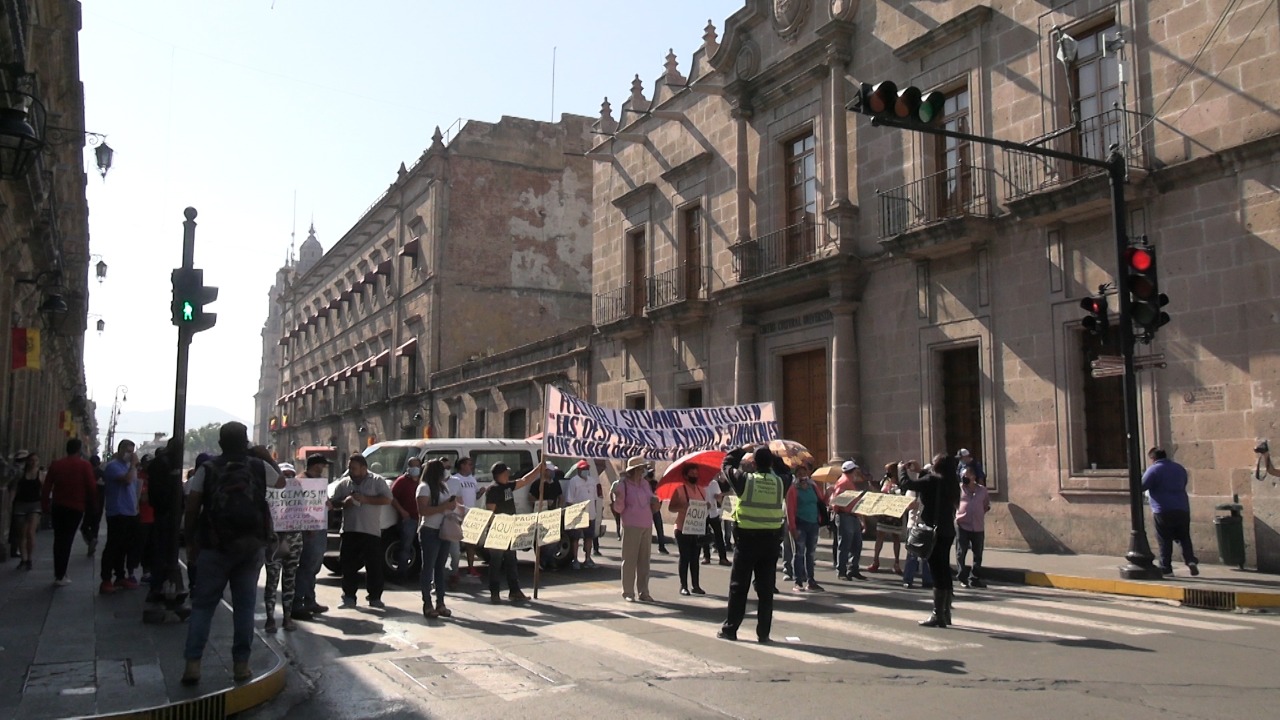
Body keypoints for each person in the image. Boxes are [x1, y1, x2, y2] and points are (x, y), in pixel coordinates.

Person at [182, 422, 284, 684]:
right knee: (244, 607)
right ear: (246, 441)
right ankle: (241, 665)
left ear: (220, 443)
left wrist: (191, 540)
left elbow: (192, 506)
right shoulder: (259, 466)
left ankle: (193, 665)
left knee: (203, 606)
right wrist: (265, 456)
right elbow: (282, 483)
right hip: (251, 546)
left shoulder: (207, 468)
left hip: (214, 546)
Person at [718, 446, 784, 643]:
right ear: (771, 463)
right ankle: (763, 633)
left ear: (753, 463)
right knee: (766, 590)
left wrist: (742, 450)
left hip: (747, 541)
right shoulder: (781, 482)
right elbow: (786, 470)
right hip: (771, 542)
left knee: (739, 587)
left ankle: (731, 629)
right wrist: (773, 453)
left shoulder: (745, 480)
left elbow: (726, 464)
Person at [897, 455, 961, 628]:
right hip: (947, 530)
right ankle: (946, 612)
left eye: (933, 463)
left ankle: (937, 614)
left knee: (937, 572)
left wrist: (901, 469)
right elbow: (932, 482)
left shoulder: (932, 480)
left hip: (933, 532)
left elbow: (907, 484)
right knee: (944, 569)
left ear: (937, 466)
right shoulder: (951, 482)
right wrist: (921, 470)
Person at [330, 453, 394, 608]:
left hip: (370, 531)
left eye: (354, 468)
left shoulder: (377, 481)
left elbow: (387, 499)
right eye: (349, 468)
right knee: (348, 566)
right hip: (349, 530)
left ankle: (375, 597)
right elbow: (332, 503)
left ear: (364, 468)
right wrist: (344, 503)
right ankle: (349, 597)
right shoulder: (344, 483)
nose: (351, 471)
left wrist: (366, 499)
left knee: (373, 566)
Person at [41, 438, 97, 585]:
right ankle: (61, 575)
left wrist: (45, 505)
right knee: (67, 539)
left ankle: (59, 572)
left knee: (58, 539)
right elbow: (91, 487)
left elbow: (47, 487)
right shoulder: (84, 465)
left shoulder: (56, 465)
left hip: (58, 506)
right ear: (79, 450)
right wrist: (93, 505)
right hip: (75, 507)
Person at [484, 461, 541, 603]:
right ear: (501, 474)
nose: (509, 474)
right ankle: (495, 593)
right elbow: (490, 512)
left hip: (510, 529)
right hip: (498, 531)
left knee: (511, 561)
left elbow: (525, 480)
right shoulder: (493, 489)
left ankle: (514, 591)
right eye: (507, 472)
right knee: (496, 563)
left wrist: (539, 467)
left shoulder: (508, 486)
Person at [144, 438, 188, 618]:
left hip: (165, 513)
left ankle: (160, 586)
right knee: (163, 551)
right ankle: (159, 587)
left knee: (164, 551)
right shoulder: (165, 463)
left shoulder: (164, 462)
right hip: (166, 513)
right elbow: (165, 491)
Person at [1142, 447, 1198, 576]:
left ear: (1153, 458)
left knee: (1164, 539)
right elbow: (1184, 483)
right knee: (1184, 537)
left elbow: (1142, 485)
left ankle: (1166, 567)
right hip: (1182, 507)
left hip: (1163, 509)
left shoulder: (1154, 469)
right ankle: (1190, 560)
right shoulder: (1179, 468)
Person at [263, 462, 304, 633]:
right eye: (284, 475)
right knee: (272, 581)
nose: (288, 478)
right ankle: (270, 618)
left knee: (289, 580)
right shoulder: (268, 495)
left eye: (291, 475)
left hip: (294, 541)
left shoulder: (300, 494)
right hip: (273, 542)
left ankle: (287, 617)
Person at [290, 453, 332, 621]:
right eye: (322, 465)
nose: (323, 469)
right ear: (316, 465)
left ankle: (310, 600)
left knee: (313, 566)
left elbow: (321, 501)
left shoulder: (317, 482)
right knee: (306, 566)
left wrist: (327, 503)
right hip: (309, 529)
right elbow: (298, 506)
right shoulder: (301, 481)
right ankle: (297, 603)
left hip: (319, 525)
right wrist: (308, 524)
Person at [612, 457, 659, 601]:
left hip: (646, 525)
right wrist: (618, 497)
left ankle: (644, 592)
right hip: (631, 525)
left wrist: (655, 501)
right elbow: (618, 508)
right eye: (640, 469)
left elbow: (651, 501)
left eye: (643, 469)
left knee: (644, 561)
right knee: (629, 560)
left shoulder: (645, 484)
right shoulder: (623, 485)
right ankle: (628, 592)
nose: (642, 471)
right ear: (633, 471)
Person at [417, 459, 456, 618]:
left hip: (444, 530)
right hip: (430, 530)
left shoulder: (443, 486)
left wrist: (451, 505)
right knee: (428, 568)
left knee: (440, 568)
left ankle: (441, 602)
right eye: (443, 469)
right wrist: (444, 506)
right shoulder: (424, 487)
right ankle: (427, 603)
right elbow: (423, 510)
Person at [100, 441, 141, 593]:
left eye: (132, 451)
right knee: (113, 546)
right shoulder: (113, 466)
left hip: (130, 512)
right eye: (128, 451)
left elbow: (134, 486)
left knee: (124, 547)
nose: (130, 454)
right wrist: (133, 465)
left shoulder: (128, 467)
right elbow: (127, 480)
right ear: (120, 450)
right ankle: (106, 579)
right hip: (117, 511)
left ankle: (120, 575)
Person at [667, 464, 708, 596]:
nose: (695, 476)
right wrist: (682, 506)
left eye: (696, 474)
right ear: (686, 475)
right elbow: (671, 507)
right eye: (692, 474)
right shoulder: (680, 489)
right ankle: (683, 586)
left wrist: (706, 506)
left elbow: (703, 507)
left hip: (696, 529)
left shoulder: (702, 490)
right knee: (685, 557)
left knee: (695, 558)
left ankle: (696, 585)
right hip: (682, 528)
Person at [786, 464, 824, 592]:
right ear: (796, 476)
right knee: (799, 553)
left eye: (804, 473)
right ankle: (798, 581)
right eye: (799, 474)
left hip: (813, 524)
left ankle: (811, 580)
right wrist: (792, 528)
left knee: (811, 554)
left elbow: (820, 500)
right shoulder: (793, 490)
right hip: (800, 524)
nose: (802, 476)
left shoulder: (813, 487)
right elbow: (790, 510)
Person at [829, 460, 867, 581]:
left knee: (856, 544)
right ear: (852, 471)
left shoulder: (847, 481)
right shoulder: (844, 482)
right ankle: (842, 571)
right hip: (845, 515)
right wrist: (838, 512)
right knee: (845, 544)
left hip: (852, 515)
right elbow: (836, 501)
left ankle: (853, 569)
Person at [445, 456, 481, 583]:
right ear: (462, 465)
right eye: (469, 464)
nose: (471, 466)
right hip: (457, 516)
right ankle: (454, 569)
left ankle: (471, 567)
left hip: (471, 515)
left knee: (471, 543)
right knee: (455, 545)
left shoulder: (472, 479)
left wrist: (481, 492)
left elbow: (475, 496)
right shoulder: (456, 479)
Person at [955, 464, 991, 588]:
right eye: (962, 475)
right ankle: (962, 577)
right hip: (962, 525)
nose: (964, 477)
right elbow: (954, 502)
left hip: (978, 526)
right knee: (961, 552)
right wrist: (960, 513)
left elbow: (986, 505)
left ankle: (974, 579)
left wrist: (978, 512)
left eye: (967, 475)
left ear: (973, 477)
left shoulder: (982, 490)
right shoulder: (959, 489)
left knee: (978, 554)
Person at [901, 464, 934, 590]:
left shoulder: (931, 488)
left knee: (927, 554)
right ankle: (908, 579)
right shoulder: (913, 489)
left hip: (926, 525)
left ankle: (927, 579)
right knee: (912, 554)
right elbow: (907, 506)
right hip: (914, 525)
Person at [9, 450, 43, 570]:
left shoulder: (40, 475)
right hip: (21, 504)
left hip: (35, 505)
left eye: (36, 460)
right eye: (31, 460)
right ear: (28, 461)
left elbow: (44, 490)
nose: (33, 462)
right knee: (21, 534)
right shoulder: (20, 474)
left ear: (38, 462)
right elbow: (14, 488)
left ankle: (29, 558)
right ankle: (23, 559)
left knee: (30, 532)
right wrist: (11, 502)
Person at [867, 463, 904, 575]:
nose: (887, 473)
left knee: (896, 537)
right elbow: (880, 489)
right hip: (884, 512)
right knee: (880, 536)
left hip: (895, 512)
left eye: (889, 470)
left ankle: (896, 563)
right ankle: (875, 561)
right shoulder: (885, 480)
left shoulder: (900, 481)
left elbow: (902, 494)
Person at [390, 456, 423, 577]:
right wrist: (402, 511)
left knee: (422, 548)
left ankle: (421, 573)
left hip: (423, 519)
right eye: (412, 466)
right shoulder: (401, 481)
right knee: (406, 546)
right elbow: (392, 498)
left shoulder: (422, 481)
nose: (415, 468)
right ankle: (402, 573)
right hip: (409, 520)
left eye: (417, 466)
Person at [564, 460, 599, 569]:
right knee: (575, 538)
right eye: (583, 469)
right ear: (578, 470)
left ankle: (588, 559)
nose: (586, 471)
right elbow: (569, 500)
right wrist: (572, 515)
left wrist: (595, 511)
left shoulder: (592, 481)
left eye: (587, 469)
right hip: (578, 515)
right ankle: (575, 559)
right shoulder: (574, 481)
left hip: (590, 514)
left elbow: (595, 498)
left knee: (589, 537)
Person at [530, 464, 563, 572]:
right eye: (550, 471)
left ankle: (548, 559)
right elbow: (530, 498)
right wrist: (543, 502)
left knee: (553, 539)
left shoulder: (556, 483)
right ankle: (541, 561)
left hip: (552, 514)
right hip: (541, 514)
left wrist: (559, 508)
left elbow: (560, 496)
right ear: (546, 471)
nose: (552, 473)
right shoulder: (537, 483)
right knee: (540, 538)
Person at [701, 471, 731, 567]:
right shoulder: (700, 484)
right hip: (704, 513)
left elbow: (720, 499)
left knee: (719, 535)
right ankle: (706, 556)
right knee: (704, 535)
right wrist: (703, 504)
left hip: (714, 513)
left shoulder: (714, 483)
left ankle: (723, 558)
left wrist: (718, 498)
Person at [81, 453, 105, 556]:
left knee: (85, 526)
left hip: (89, 503)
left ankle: (91, 540)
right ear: (99, 463)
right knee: (95, 525)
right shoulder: (103, 474)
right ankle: (93, 543)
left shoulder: (88, 473)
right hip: (100, 504)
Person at [647, 467, 670, 554]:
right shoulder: (643, 484)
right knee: (646, 529)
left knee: (659, 528)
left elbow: (660, 495)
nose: (652, 474)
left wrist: (659, 505)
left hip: (655, 509)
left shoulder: (655, 483)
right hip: (646, 509)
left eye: (652, 472)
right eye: (650, 472)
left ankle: (661, 546)